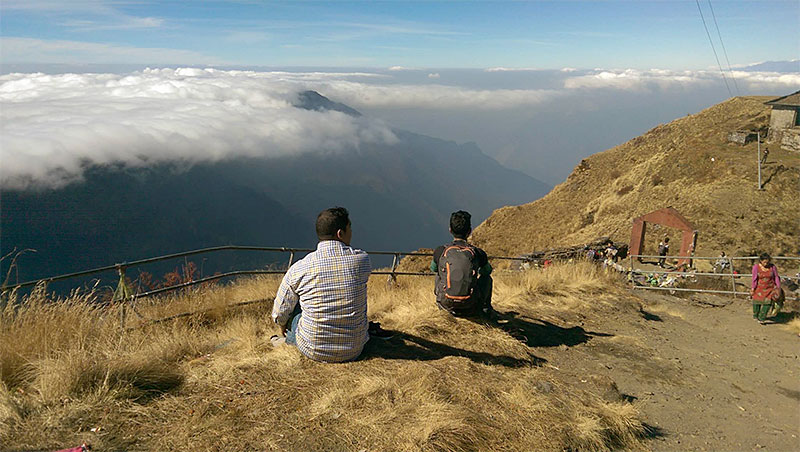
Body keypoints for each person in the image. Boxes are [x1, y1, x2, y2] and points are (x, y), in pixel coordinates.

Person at [270, 207, 389, 363]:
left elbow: (279, 314)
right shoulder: (362, 260)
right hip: (355, 348)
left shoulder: (299, 268)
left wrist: (283, 327)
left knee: (297, 304)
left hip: (314, 350)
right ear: (340, 233)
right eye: (349, 228)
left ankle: (287, 339)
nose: (351, 232)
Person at [431, 210, 494, 319]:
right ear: (469, 231)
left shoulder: (440, 251)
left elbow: (433, 268)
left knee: (439, 274)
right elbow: (487, 271)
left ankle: (444, 303)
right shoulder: (478, 253)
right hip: (471, 305)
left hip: (446, 305)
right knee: (487, 279)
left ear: (450, 230)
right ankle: (486, 309)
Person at [750, 253, 782, 324]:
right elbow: (754, 279)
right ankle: (756, 315)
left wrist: (778, 287)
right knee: (756, 303)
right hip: (759, 288)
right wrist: (753, 288)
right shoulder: (756, 267)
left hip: (770, 288)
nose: (766, 264)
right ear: (761, 261)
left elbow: (776, 277)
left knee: (767, 304)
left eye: (767, 262)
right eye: (764, 262)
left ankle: (762, 318)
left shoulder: (772, 267)